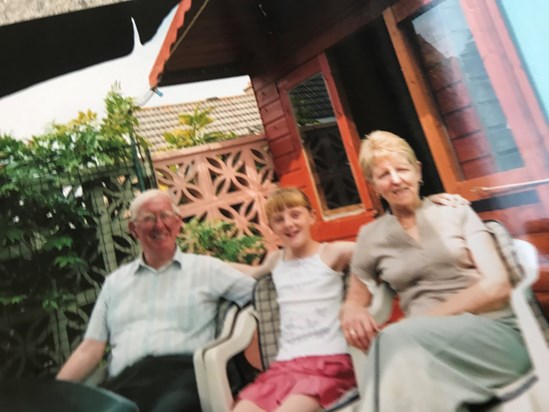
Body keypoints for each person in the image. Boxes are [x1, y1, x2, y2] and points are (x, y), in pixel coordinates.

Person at [340, 131, 532, 412]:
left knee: (394, 343)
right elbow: (355, 298)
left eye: (402, 169)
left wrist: (418, 323)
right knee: (410, 374)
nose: (395, 179)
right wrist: (352, 310)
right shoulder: (371, 236)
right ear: (374, 185)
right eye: (383, 175)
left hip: (490, 334)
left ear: (417, 171)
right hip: (422, 347)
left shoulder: (455, 211)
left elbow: (496, 286)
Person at [230, 187, 462, 412]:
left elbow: (381, 245)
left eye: (295, 214)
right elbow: (250, 273)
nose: (289, 223)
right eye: (279, 219)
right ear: (272, 228)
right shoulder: (274, 261)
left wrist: (424, 205)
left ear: (311, 217)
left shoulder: (333, 253)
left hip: (328, 364)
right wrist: (197, 262)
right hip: (284, 367)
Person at [56, 189, 255, 412]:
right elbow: (90, 348)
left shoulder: (206, 269)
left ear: (178, 223)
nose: (159, 225)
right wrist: (53, 393)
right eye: (149, 218)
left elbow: (262, 294)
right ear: (133, 229)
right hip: (126, 382)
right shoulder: (115, 283)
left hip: (183, 376)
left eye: (165, 216)